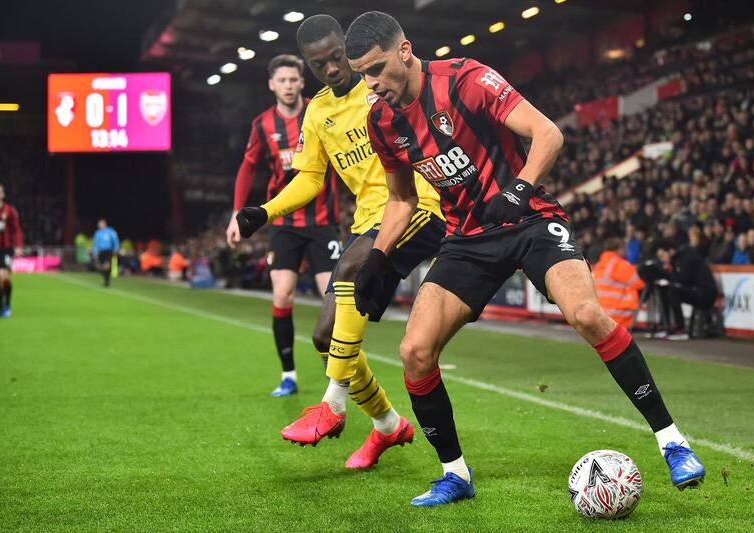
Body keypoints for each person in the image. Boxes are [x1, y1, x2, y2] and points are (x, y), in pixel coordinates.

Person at [345, 11, 704, 506]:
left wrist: (517, 191)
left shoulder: (465, 79)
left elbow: (548, 133)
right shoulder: (381, 120)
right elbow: (402, 198)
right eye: (362, 73)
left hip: (528, 217)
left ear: (404, 50)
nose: (370, 83)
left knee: (586, 314)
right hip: (467, 238)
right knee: (414, 351)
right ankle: (455, 475)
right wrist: (379, 258)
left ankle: (673, 444)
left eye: (376, 68)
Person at [236, 14, 444, 469]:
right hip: (367, 220)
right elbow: (310, 177)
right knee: (325, 336)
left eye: (336, 58)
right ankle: (388, 426)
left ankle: (331, 404)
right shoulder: (318, 112)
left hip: (419, 205)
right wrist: (264, 211)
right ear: (310, 66)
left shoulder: (381, 87)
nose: (332, 69)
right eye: (320, 64)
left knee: (349, 270)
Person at [226, 54, 342, 397]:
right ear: (271, 84)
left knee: (333, 300)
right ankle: (288, 374)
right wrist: (236, 213)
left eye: (294, 80)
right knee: (282, 293)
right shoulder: (263, 125)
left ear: (302, 83)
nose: (289, 86)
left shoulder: (319, 111)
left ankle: (333, 369)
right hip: (284, 222)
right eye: (282, 81)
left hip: (323, 220)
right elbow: (247, 168)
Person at [641, 238, 719, 340]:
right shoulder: (678, 259)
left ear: (669, 251)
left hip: (706, 293)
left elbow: (682, 280)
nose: (662, 259)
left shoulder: (687, 257)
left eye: (662, 255)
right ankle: (665, 325)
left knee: (672, 291)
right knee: (665, 289)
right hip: (697, 290)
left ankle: (680, 328)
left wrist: (665, 275)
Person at [0, 181, 23, 318]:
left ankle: (7, 305)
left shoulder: (9, 210)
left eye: (0, 193)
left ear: (3, 194)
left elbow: (16, 229)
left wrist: (18, 246)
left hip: (5, 249)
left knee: (3, 275)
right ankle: (0, 308)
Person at [593, 238, 645, 329]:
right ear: (619, 248)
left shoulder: (599, 264)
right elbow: (639, 283)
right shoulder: (620, 264)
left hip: (601, 312)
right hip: (619, 313)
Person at [93, 219, 119, 287]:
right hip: (101, 251)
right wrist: (95, 253)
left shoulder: (110, 231)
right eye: (99, 224)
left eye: (101, 224)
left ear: (105, 224)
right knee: (102, 267)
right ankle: (106, 280)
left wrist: (116, 248)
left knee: (106, 266)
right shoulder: (97, 233)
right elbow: (96, 244)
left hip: (108, 251)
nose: (99, 225)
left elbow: (115, 240)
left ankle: (107, 282)